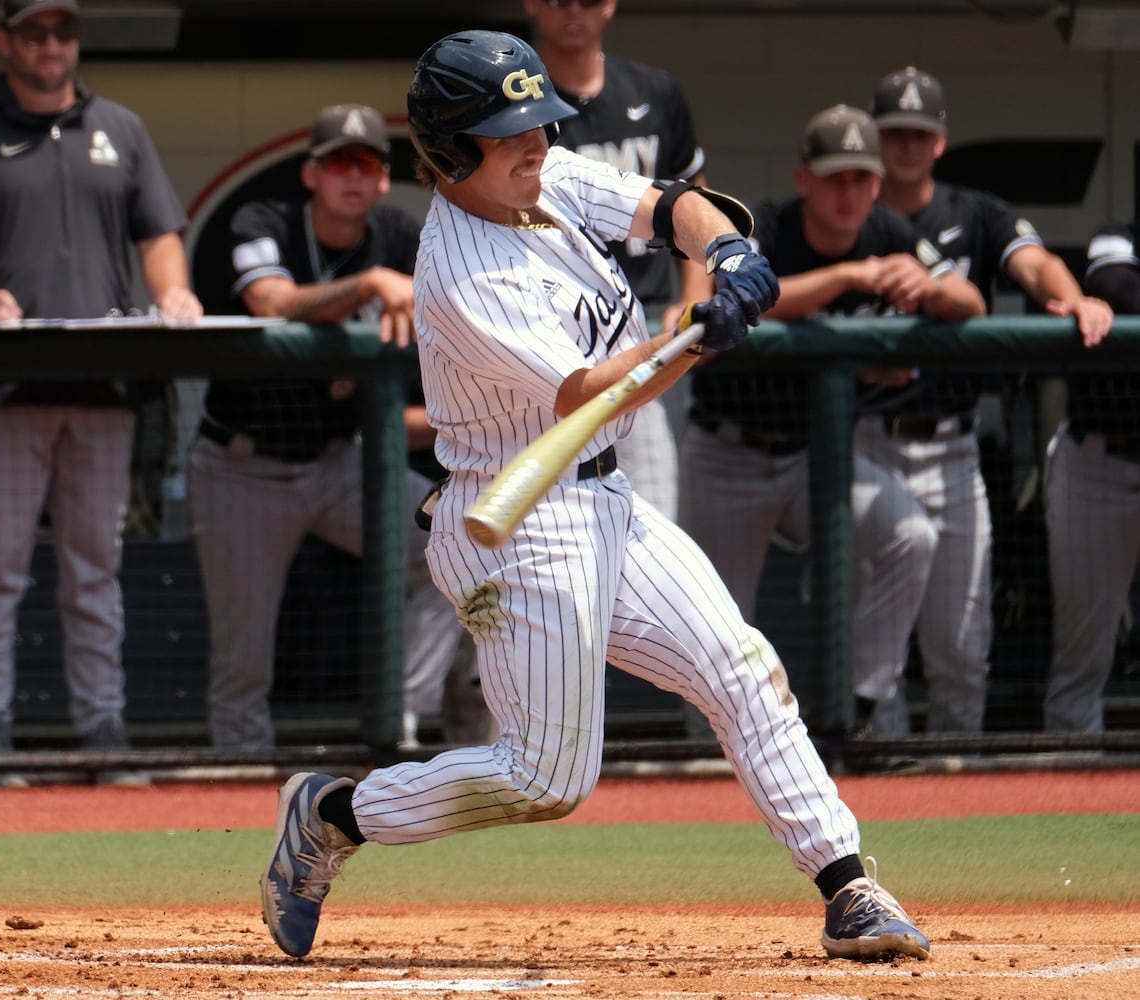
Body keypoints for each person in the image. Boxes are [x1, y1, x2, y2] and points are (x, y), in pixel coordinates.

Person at [260, 31, 930, 965]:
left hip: (603, 497)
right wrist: (700, 337)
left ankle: (848, 886)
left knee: (741, 666)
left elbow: (671, 205)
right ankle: (330, 813)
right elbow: (590, 393)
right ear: (452, 154)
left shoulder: (545, 179)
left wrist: (728, 256)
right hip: (514, 528)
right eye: (510, 132)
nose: (536, 142)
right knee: (547, 776)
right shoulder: (463, 272)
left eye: (539, 123)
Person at [0, 0, 202, 787]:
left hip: (102, 387)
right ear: (5, 40)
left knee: (96, 568)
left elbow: (159, 235)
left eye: (62, 31)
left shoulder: (121, 129)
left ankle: (105, 735)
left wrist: (174, 294)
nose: (50, 45)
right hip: (1, 387)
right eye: (33, 32)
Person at [678, 105, 985, 755]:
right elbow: (744, 295)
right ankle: (703, 765)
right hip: (728, 451)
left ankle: (858, 702)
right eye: (835, 177)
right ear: (804, 179)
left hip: (813, 457)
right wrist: (850, 276)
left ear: (876, 185)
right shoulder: (765, 224)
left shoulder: (890, 228)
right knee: (709, 624)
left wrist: (927, 284)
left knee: (909, 533)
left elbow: (971, 303)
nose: (849, 192)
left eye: (860, 178)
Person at [188, 103, 482, 750]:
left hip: (340, 459)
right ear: (313, 174)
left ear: (383, 179)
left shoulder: (403, 235)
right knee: (244, 658)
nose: (354, 174)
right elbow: (270, 301)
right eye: (339, 162)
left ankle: (400, 722)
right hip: (244, 465)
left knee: (463, 552)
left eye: (368, 163)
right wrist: (367, 286)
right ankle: (238, 775)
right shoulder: (264, 221)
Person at [868, 66, 1113, 735]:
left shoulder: (972, 210)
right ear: (877, 138)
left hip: (951, 444)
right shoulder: (851, 212)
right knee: (875, 651)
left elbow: (1031, 259)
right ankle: (877, 778)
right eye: (895, 133)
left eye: (920, 133)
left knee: (960, 645)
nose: (908, 145)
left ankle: (959, 794)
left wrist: (1070, 296)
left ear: (940, 140)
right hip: (867, 445)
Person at [526, 0, 712, 522]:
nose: (570, 11)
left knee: (649, 512)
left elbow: (692, 195)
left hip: (647, 324)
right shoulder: (522, 101)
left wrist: (695, 297)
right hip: (559, 330)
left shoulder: (654, 90)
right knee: (564, 514)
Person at [1043, 221, 1136, 732]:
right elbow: (1116, 289)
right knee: (1082, 661)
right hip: (1098, 468)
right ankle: (1069, 793)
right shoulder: (1119, 236)